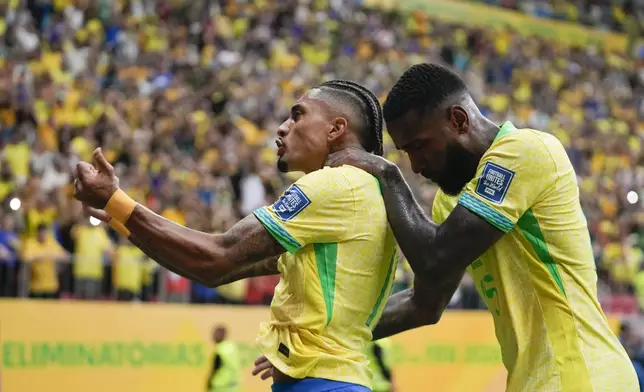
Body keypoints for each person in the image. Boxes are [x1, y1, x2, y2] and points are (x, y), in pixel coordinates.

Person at [320, 63, 638, 391]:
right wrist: (324, 333)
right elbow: (424, 305)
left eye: (419, 146)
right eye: (405, 154)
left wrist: (388, 176)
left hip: (583, 376)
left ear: (458, 120)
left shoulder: (524, 151)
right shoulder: (451, 201)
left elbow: (434, 260)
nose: (416, 166)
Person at [74, 80, 398, 392]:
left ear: (336, 128)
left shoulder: (332, 186)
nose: (282, 127)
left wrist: (116, 201)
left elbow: (216, 260)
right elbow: (216, 270)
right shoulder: (366, 192)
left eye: (297, 115)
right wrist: (121, 218)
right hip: (331, 379)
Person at [207, 325, 241, 392]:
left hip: (220, 386)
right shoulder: (232, 347)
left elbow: (215, 367)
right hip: (233, 386)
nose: (214, 337)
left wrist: (209, 381)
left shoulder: (220, 349)